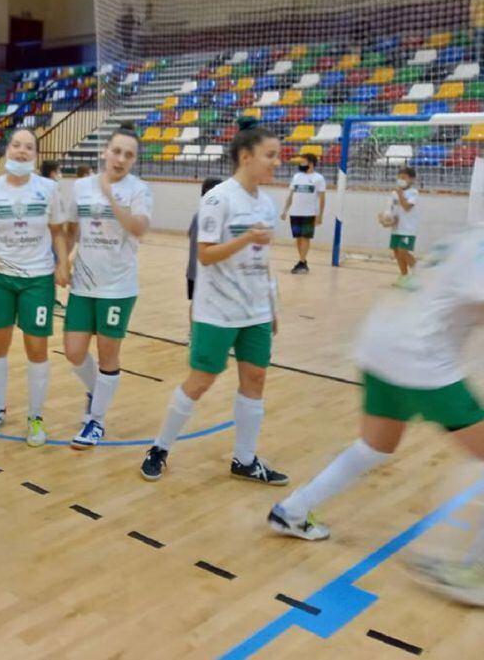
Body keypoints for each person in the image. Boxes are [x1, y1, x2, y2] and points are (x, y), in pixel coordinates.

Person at [267, 225, 484, 607]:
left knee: (376, 445)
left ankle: (292, 511)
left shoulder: (470, 234)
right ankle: (475, 575)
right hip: (419, 353)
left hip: (380, 339)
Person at [140, 124, 287, 484]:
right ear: (245, 157)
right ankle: (159, 448)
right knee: (201, 380)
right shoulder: (218, 199)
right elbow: (205, 256)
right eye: (270, 155)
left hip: (254, 310)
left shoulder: (266, 204)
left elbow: (262, 259)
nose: (277, 163)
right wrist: (247, 238)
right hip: (217, 310)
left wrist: (272, 304)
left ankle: (245, 459)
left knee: (256, 377)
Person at [0, 128, 69, 445]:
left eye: (28, 147)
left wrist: (63, 263)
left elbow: (58, 232)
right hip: (0, 278)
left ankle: (35, 418)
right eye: (16, 145)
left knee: (36, 349)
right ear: (7, 150)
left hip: (37, 279)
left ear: (36, 155)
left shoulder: (50, 189)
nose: (21, 151)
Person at [63, 126, 153, 449]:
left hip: (118, 287)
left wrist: (111, 195)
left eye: (129, 155)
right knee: (73, 352)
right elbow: (72, 228)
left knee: (107, 354)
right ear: (105, 151)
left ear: (134, 160)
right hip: (83, 284)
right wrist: (63, 262)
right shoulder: (81, 187)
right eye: (117, 151)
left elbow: (139, 227)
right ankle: (95, 391)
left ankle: (96, 421)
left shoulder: (138, 190)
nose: (121, 159)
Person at [281, 152, 326, 274]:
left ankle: (301, 262)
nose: (301, 164)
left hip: (309, 213)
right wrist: (285, 210)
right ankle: (303, 261)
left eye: (303, 162)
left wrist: (320, 216)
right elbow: (291, 195)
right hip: (295, 212)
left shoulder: (318, 178)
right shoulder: (296, 177)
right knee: (298, 237)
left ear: (310, 163)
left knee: (306, 237)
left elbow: (322, 198)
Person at [378, 167, 420, 289]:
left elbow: (407, 207)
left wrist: (400, 194)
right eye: (399, 177)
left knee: (403, 251)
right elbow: (391, 211)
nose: (401, 180)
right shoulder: (393, 194)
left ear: (411, 179)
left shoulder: (413, 193)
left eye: (404, 177)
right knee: (397, 252)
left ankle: (420, 273)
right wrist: (385, 219)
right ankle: (404, 276)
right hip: (396, 228)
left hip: (408, 228)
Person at [187, 178, 223, 315]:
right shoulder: (207, 215)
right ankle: (194, 335)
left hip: (194, 271)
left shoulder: (198, 214)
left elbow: (190, 234)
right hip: (201, 272)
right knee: (198, 305)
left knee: (197, 304)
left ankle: (193, 334)